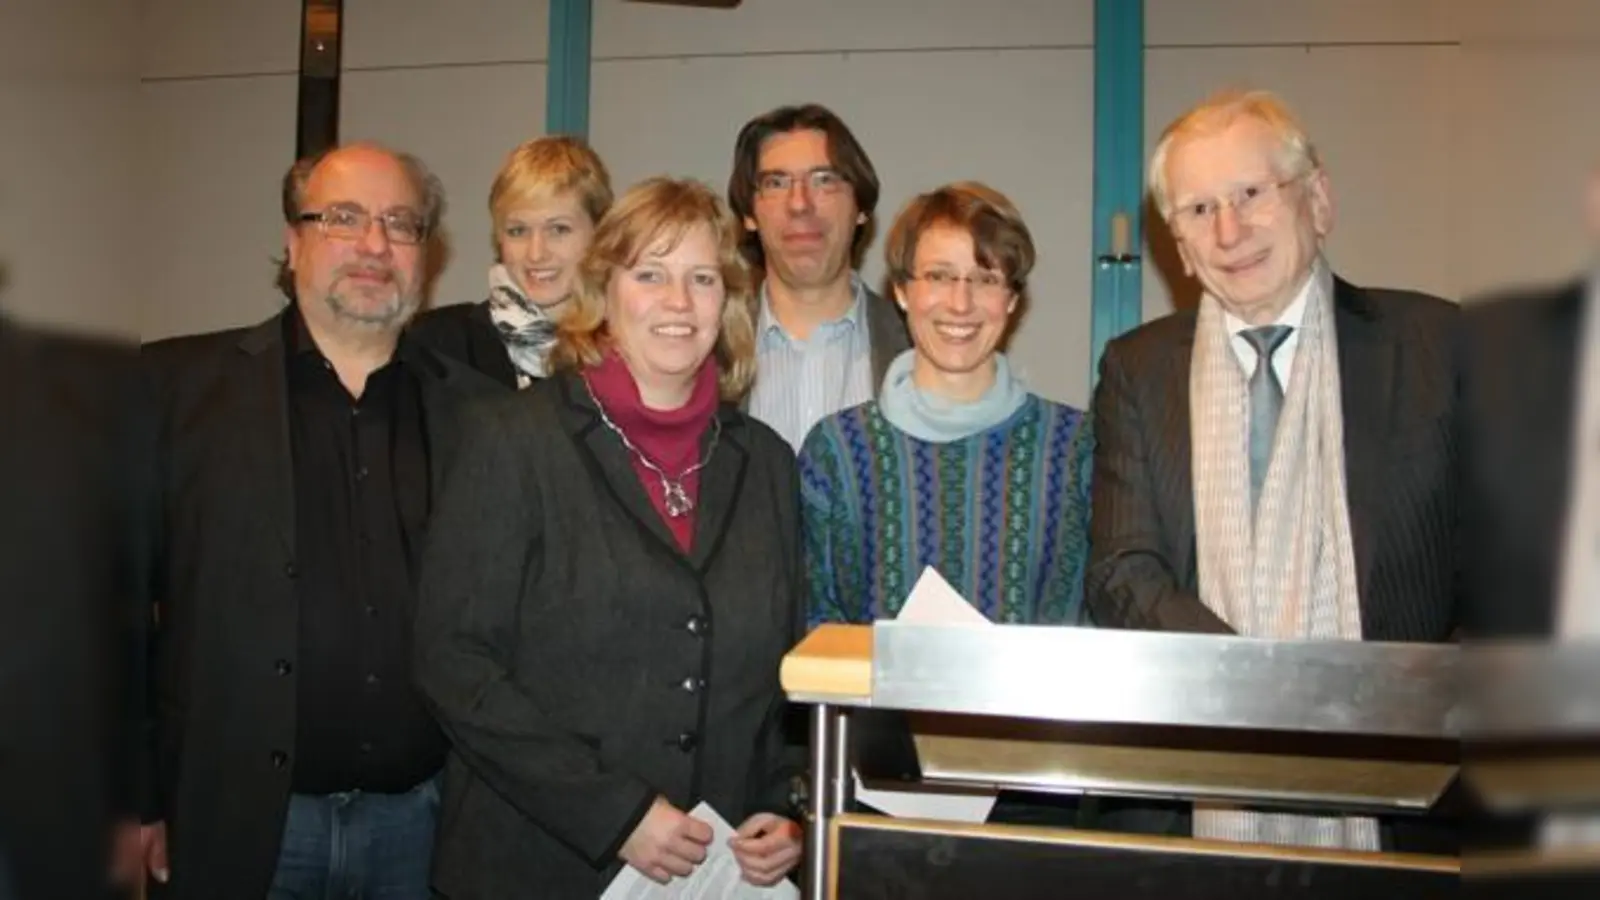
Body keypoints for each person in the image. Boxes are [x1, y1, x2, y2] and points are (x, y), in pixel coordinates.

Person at [1086, 90, 1458, 851]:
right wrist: (1259, 685)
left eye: (1250, 195)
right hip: (1190, 800)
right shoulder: (1138, 369)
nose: (1228, 231)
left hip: (1409, 802)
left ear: (1317, 199)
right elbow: (1122, 571)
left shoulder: (1440, 346)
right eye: (1197, 211)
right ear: (1178, 246)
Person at [414, 177, 805, 898]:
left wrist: (785, 812)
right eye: (650, 274)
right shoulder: (512, 440)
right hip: (538, 865)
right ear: (605, 290)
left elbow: (781, 680)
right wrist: (616, 814)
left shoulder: (769, 464)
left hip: (716, 875)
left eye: (702, 278)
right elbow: (453, 660)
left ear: (732, 301)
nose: (678, 303)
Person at [137, 142, 500, 899]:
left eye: (401, 224)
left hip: (426, 828)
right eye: (344, 218)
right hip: (240, 826)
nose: (374, 244)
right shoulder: (174, 392)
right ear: (292, 240)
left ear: (425, 256)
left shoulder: (483, 416)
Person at [800, 181, 1093, 629]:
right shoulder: (837, 450)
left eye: (985, 279)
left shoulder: (1074, 448)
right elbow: (815, 624)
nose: (961, 303)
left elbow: (1094, 625)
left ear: (1012, 300)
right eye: (939, 276)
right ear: (901, 291)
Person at [727, 103, 910, 451]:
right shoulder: (706, 350)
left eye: (824, 180)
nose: (800, 204)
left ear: (861, 207)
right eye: (776, 182)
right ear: (749, 213)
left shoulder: (919, 346)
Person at [409, 135, 612, 388]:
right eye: (518, 231)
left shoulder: (632, 350)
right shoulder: (438, 345)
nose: (536, 253)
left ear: (600, 232)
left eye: (559, 229)